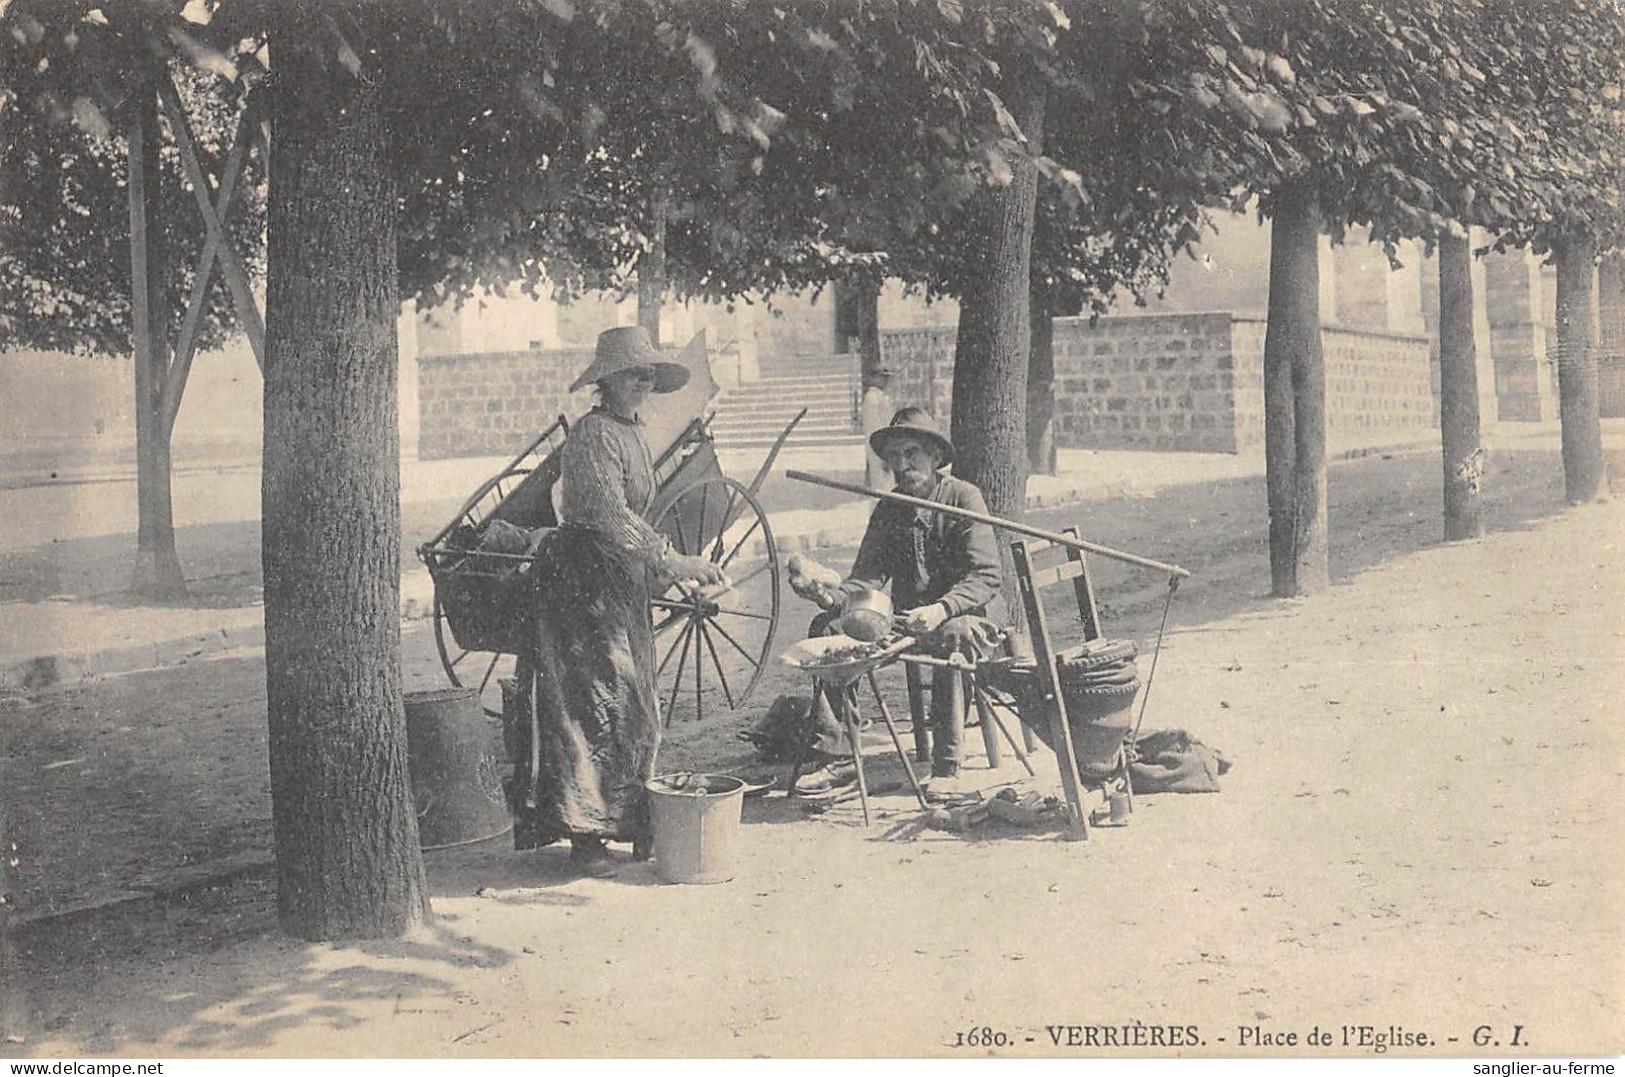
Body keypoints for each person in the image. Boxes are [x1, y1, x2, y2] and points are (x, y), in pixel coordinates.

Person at [512, 326, 723, 875]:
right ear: (606, 381)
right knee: (594, 702)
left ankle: (630, 822)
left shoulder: (633, 432)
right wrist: (674, 562)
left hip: (618, 579)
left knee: (636, 703)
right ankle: (585, 835)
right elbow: (609, 513)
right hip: (579, 580)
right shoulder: (593, 436)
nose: (642, 383)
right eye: (632, 374)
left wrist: (656, 569)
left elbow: (635, 518)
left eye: (648, 375)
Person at [794, 406, 1003, 781]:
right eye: (893, 457)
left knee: (955, 637)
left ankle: (946, 767)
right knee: (825, 630)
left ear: (935, 457)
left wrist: (942, 610)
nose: (901, 465)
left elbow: (986, 576)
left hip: (964, 617)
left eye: (911, 454)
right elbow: (867, 579)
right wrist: (828, 597)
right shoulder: (890, 508)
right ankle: (838, 754)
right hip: (906, 622)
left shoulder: (963, 497)